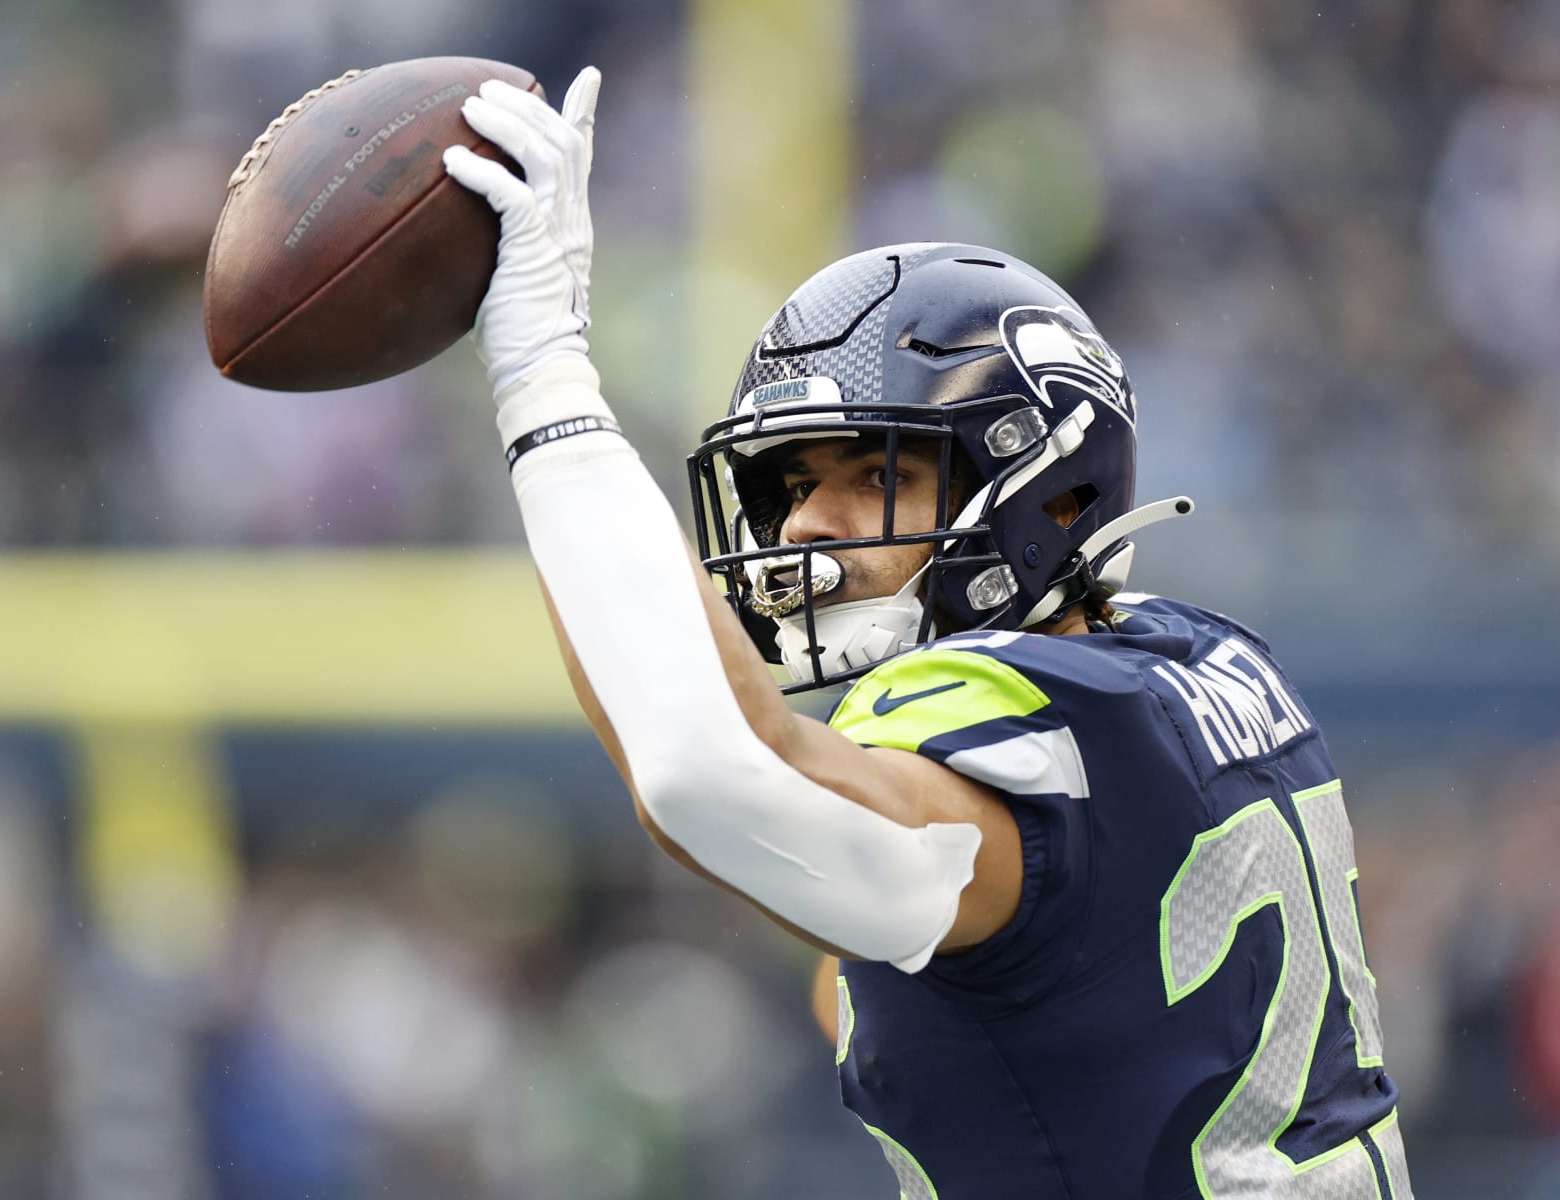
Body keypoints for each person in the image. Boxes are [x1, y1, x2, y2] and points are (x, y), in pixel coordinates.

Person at [442, 69, 1414, 1199]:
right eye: (793, 484)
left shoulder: (1014, 718)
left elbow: (715, 775)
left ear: (1045, 485)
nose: (806, 523)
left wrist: (545, 387)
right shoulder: (1202, 661)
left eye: (876, 474)